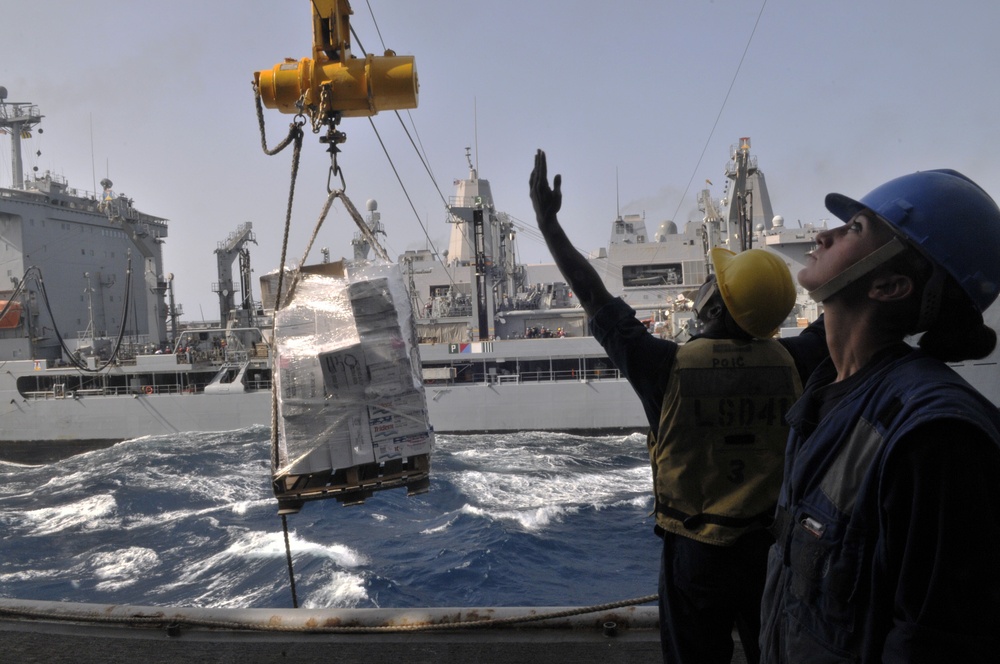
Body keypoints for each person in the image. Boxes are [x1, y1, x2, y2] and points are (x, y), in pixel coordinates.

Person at [529, 149, 828, 664]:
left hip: (696, 552)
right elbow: (835, 319)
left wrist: (548, 224)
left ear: (716, 304)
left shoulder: (666, 368)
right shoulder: (796, 362)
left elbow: (594, 295)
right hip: (768, 550)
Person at [759, 169, 1000, 662]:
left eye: (855, 229)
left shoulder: (936, 436)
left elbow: (935, 642)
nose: (823, 235)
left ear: (890, 285)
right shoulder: (826, 393)